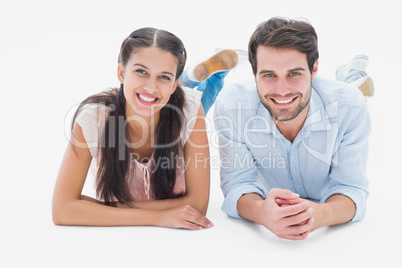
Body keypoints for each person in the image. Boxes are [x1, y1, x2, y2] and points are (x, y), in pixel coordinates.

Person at [52, 28, 242, 229]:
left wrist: (102, 208)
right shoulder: (92, 120)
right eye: (141, 71)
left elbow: (197, 205)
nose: (150, 86)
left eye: (164, 77)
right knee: (166, 99)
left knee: (198, 101)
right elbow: (62, 210)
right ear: (121, 73)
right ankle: (188, 77)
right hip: (163, 104)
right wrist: (156, 218)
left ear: (174, 84)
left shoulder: (190, 110)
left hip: (175, 107)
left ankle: (215, 76)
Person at [213, 17, 372, 240]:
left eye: (294, 74)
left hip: (342, 99)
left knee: (356, 93)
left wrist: (320, 214)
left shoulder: (349, 107)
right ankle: (350, 75)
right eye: (269, 75)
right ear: (253, 74)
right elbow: (237, 184)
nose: (282, 90)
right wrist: (261, 212)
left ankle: (353, 74)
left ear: (314, 69)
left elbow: (351, 188)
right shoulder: (232, 107)